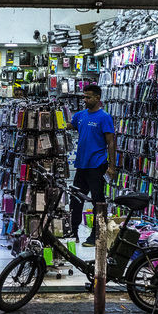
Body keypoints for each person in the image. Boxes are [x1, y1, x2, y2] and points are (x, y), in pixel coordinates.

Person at [69, 84, 116, 246]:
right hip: (81, 165)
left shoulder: (104, 117)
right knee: (75, 200)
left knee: (98, 202)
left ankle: (95, 235)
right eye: (84, 97)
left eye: (88, 97)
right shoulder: (80, 115)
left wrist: (112, 166)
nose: (85, 100)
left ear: (97, 98)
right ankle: (72, 232)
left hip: (97, 165)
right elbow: (69, 125)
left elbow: (110, 143)